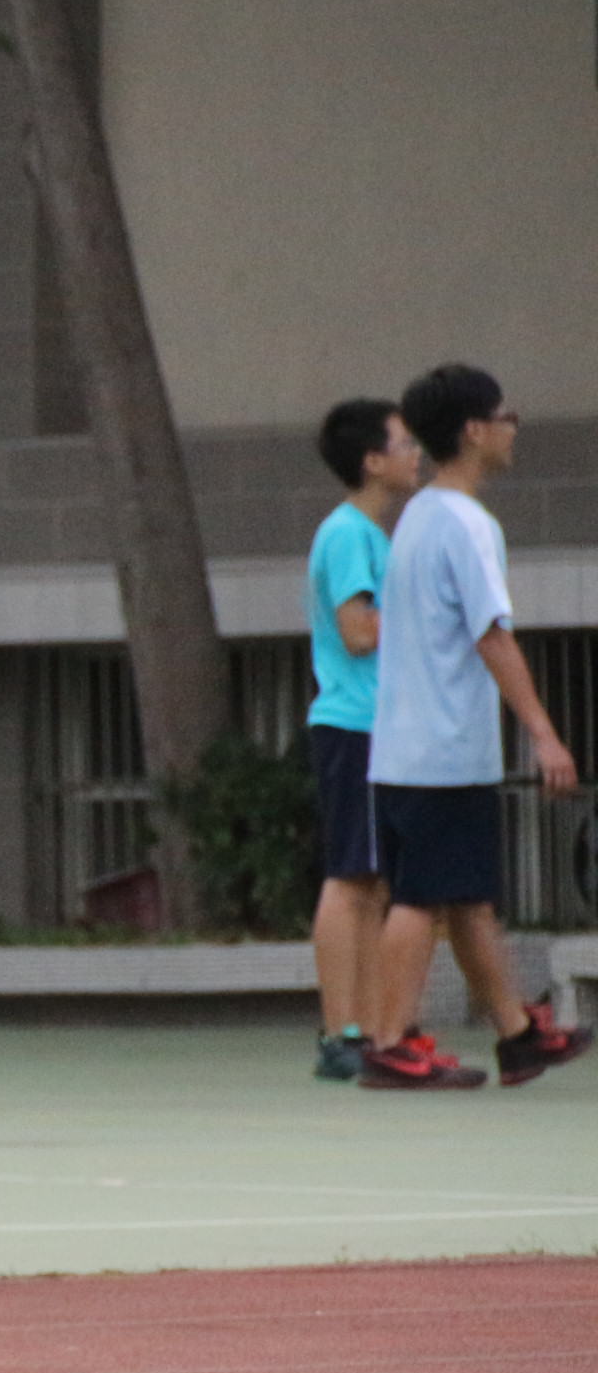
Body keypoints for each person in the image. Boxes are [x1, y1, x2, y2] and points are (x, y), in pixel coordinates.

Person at [359, 363, 587, 1090]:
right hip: (444, 751)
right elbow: (492, 635)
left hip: (405, 748)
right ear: (474, 430)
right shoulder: (467, 524)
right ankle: (390, 1043)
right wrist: (544, 733)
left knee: (466, 900)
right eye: (504, 413)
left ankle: (516, 1035)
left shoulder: (418, 517)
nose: (513, 426)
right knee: (422, 900)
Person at [301, 397, 420, 1081]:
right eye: (404, 444)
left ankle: (371, 1030)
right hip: (355, 726)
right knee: (350, 880)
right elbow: (357, 632)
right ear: (373, 461)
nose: (416, 454)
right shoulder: (349, 534)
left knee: (372, 884)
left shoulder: (372, 535)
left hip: (377, 727)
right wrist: (431, 613)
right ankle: (340, 1032)